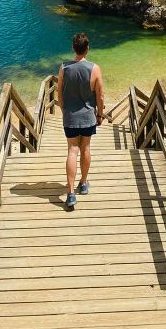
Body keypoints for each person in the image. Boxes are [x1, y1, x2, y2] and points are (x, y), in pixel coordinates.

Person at [57, 33, 104, 209]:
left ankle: (70, 193)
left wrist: (64, 110)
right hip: (88, 117)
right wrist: (100, 114)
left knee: (72, 151)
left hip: (70, 117)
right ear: (87, 49)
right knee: (86, 148)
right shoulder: (94, 68)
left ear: (73, 48)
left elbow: (59, 93)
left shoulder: (64, 68)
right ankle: (83, 183)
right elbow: (100, 95)